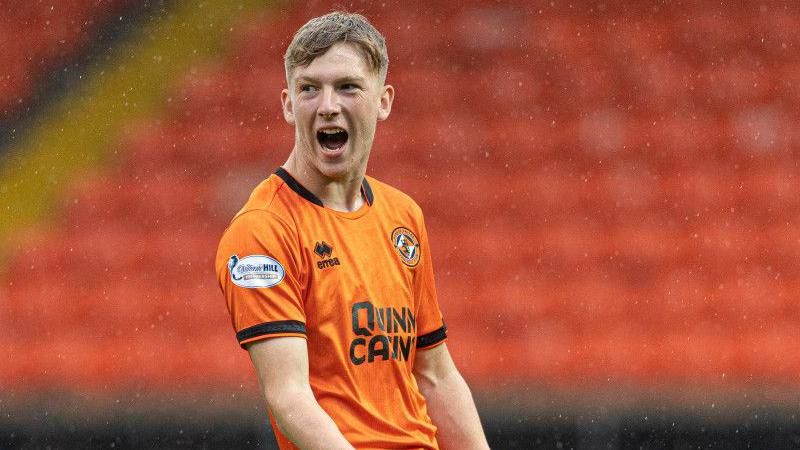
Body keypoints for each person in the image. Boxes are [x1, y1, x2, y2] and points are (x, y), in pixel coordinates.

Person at [215, 11, 489, 450]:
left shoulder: (403, 216)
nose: (327, 105)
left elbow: (436, 375)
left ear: (384, 100)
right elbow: (289, 397)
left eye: (347, 86)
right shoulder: (262, 232)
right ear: (288, 104)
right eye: (309, 88)